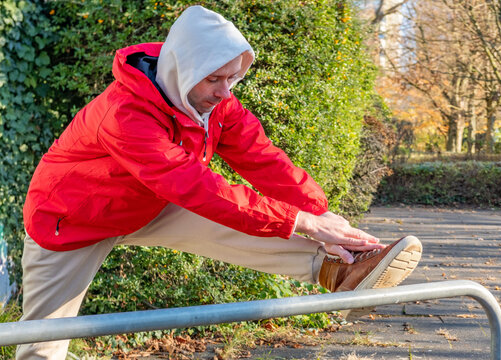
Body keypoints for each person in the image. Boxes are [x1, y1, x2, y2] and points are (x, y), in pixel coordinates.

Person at [17, 5, 422, 359]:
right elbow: (198, 187)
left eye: (232, 78)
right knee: (42, 344)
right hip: (70, 221)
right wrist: (304, 222)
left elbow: (263, 158)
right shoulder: (124, 115)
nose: (224, 91)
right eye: (214, 79)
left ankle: (341, 270)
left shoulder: (215, 100)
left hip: (147, 202)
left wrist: (322, 215)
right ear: (183, 68)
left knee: (255, 218)